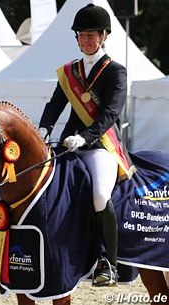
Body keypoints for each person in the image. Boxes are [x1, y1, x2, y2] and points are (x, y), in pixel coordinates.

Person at [38, 4, 136, 286]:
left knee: (99, 197)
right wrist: (45, 128)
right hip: (69, 143)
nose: (86, 40)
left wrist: (86, 137)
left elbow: (110, 113)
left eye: (92, 35)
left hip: (100, 146)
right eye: (81, 35)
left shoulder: (116, 71)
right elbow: (55, 104)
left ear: (104, 36)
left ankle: (108, 262)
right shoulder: (69, 72)